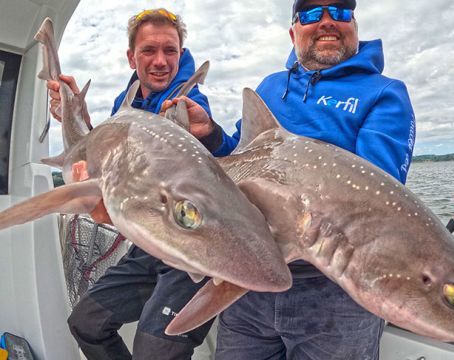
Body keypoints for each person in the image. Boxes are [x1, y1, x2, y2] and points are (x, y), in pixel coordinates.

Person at [167, 0, 416, 358]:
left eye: (341, 13)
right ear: (293, 32)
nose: (328, 22)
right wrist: (209, 133)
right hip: (249, 277)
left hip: (335, 294)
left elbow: (376, 200)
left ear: (355, 27)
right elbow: (239, 155)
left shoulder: (384, 94)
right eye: (313, 15)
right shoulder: (270, 87)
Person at [47, 8, 214, 360]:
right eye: (148, 51)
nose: (160, 61)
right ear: (131, 57)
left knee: (153, 351)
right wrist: (76, 116)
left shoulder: (189, 102)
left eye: (170, 51)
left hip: (187, 253)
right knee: (86, 322)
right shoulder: (125, 105)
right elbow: (106, 163)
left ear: (181, 55)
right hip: (146, 249)